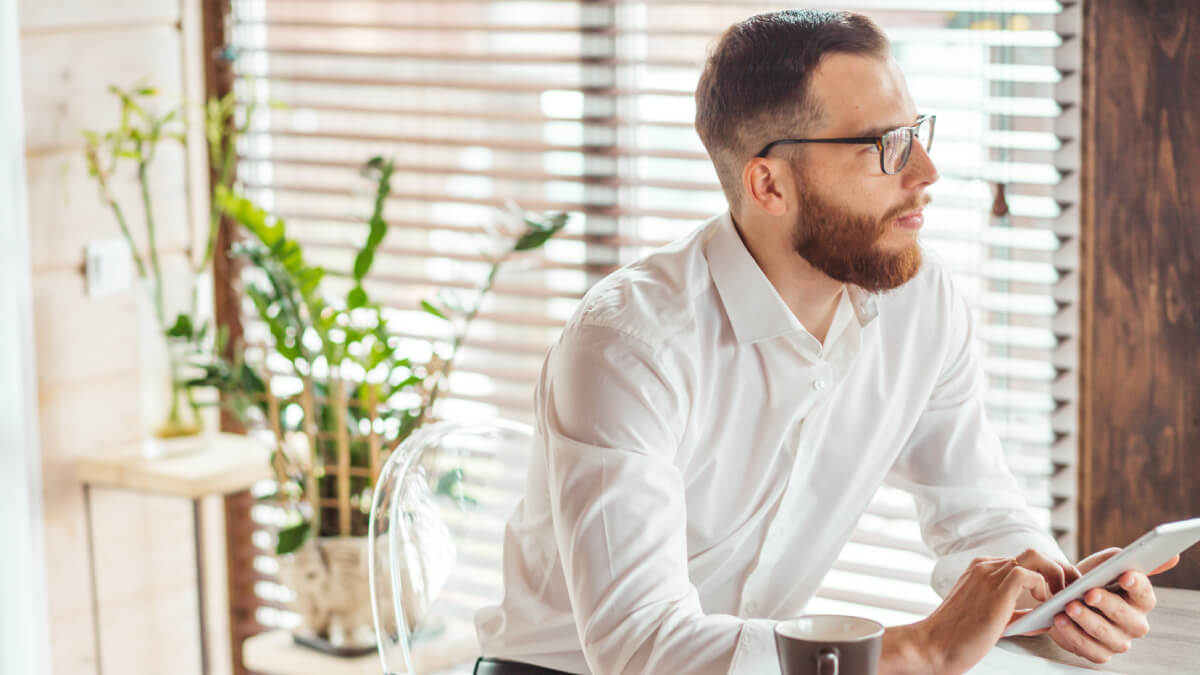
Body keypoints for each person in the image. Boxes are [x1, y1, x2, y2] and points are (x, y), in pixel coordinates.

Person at [473, 9, 1177, 675]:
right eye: (885, 147)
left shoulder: (920, 304)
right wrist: (919, 649)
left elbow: (976, 511)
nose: (926, 174)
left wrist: (1050, 593)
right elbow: (640, 647)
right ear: (769, 184)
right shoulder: (628, 345)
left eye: (917, 132)